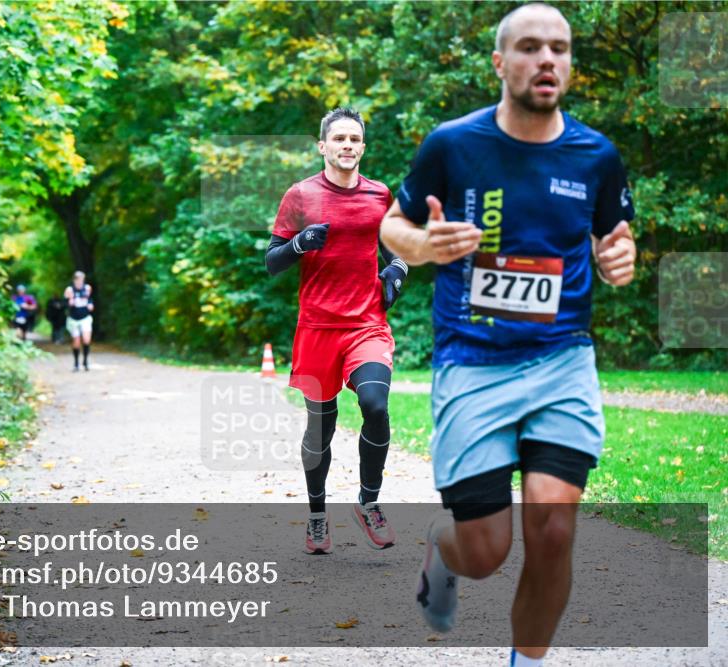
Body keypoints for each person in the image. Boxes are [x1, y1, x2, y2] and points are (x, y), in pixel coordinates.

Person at [379, 4, 637, 665]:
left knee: (553, 528)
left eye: (559, 48)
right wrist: (425, 245)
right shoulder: (452, 145)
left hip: (561, 359)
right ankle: (444, 550)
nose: (546, 58)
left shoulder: (596, 155)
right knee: (486, 551)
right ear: (500, 62)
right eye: (529, 47)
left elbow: (614, 236)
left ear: (570, 63)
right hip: (472, 361)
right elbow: (392, 225)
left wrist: (619, 257)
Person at [266, 107, 409, 555]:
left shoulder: (379, 194)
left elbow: (394, 250)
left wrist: (397, 272)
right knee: (320, 430)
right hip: (317, 328)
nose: (347, 145)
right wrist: (299, 243)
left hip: (366, 324)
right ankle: (316, 515)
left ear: (362, 147)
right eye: (339, 138)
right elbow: (272, 261)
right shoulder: (300, 195)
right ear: (322, 146)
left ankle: (368, 502)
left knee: (375, 405)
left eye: (354, 139)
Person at [64, 271, 94, 371]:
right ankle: (76, 363)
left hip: (85, 318)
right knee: (76, 342)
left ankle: (85, 361)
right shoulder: (69, 290)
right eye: (78, 280)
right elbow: (64, 303)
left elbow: (90, 300)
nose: (80, 281)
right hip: (73, 319)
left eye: (82, 279)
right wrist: (69, 302)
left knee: (86, 339)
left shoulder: (87, 288)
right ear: (74, 280)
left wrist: (90, 305)